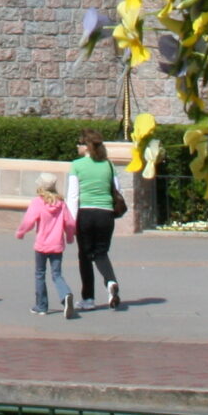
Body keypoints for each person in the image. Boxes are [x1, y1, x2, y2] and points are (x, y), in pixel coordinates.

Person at [68, 131, 124, 310]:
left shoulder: (76, 165)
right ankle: (110, 282)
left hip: (85, 214)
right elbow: (117, 190)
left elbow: (73, 196)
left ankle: (88, 298)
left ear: (85, 146)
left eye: (79, 143)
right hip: (106, 214)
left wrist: (71, 222)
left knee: (85, 256)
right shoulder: (109, 165)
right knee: (101, 252)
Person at [16, 173, 80, 318]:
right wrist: (69, 237)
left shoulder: (38, 202)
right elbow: (70, 223)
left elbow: (28, 221)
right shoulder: (61, 203)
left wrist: (21, 233)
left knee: (40, 274)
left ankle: (41, 306)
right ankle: (66, 294)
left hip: (42, 245)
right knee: (57, 274)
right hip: (57, 245)